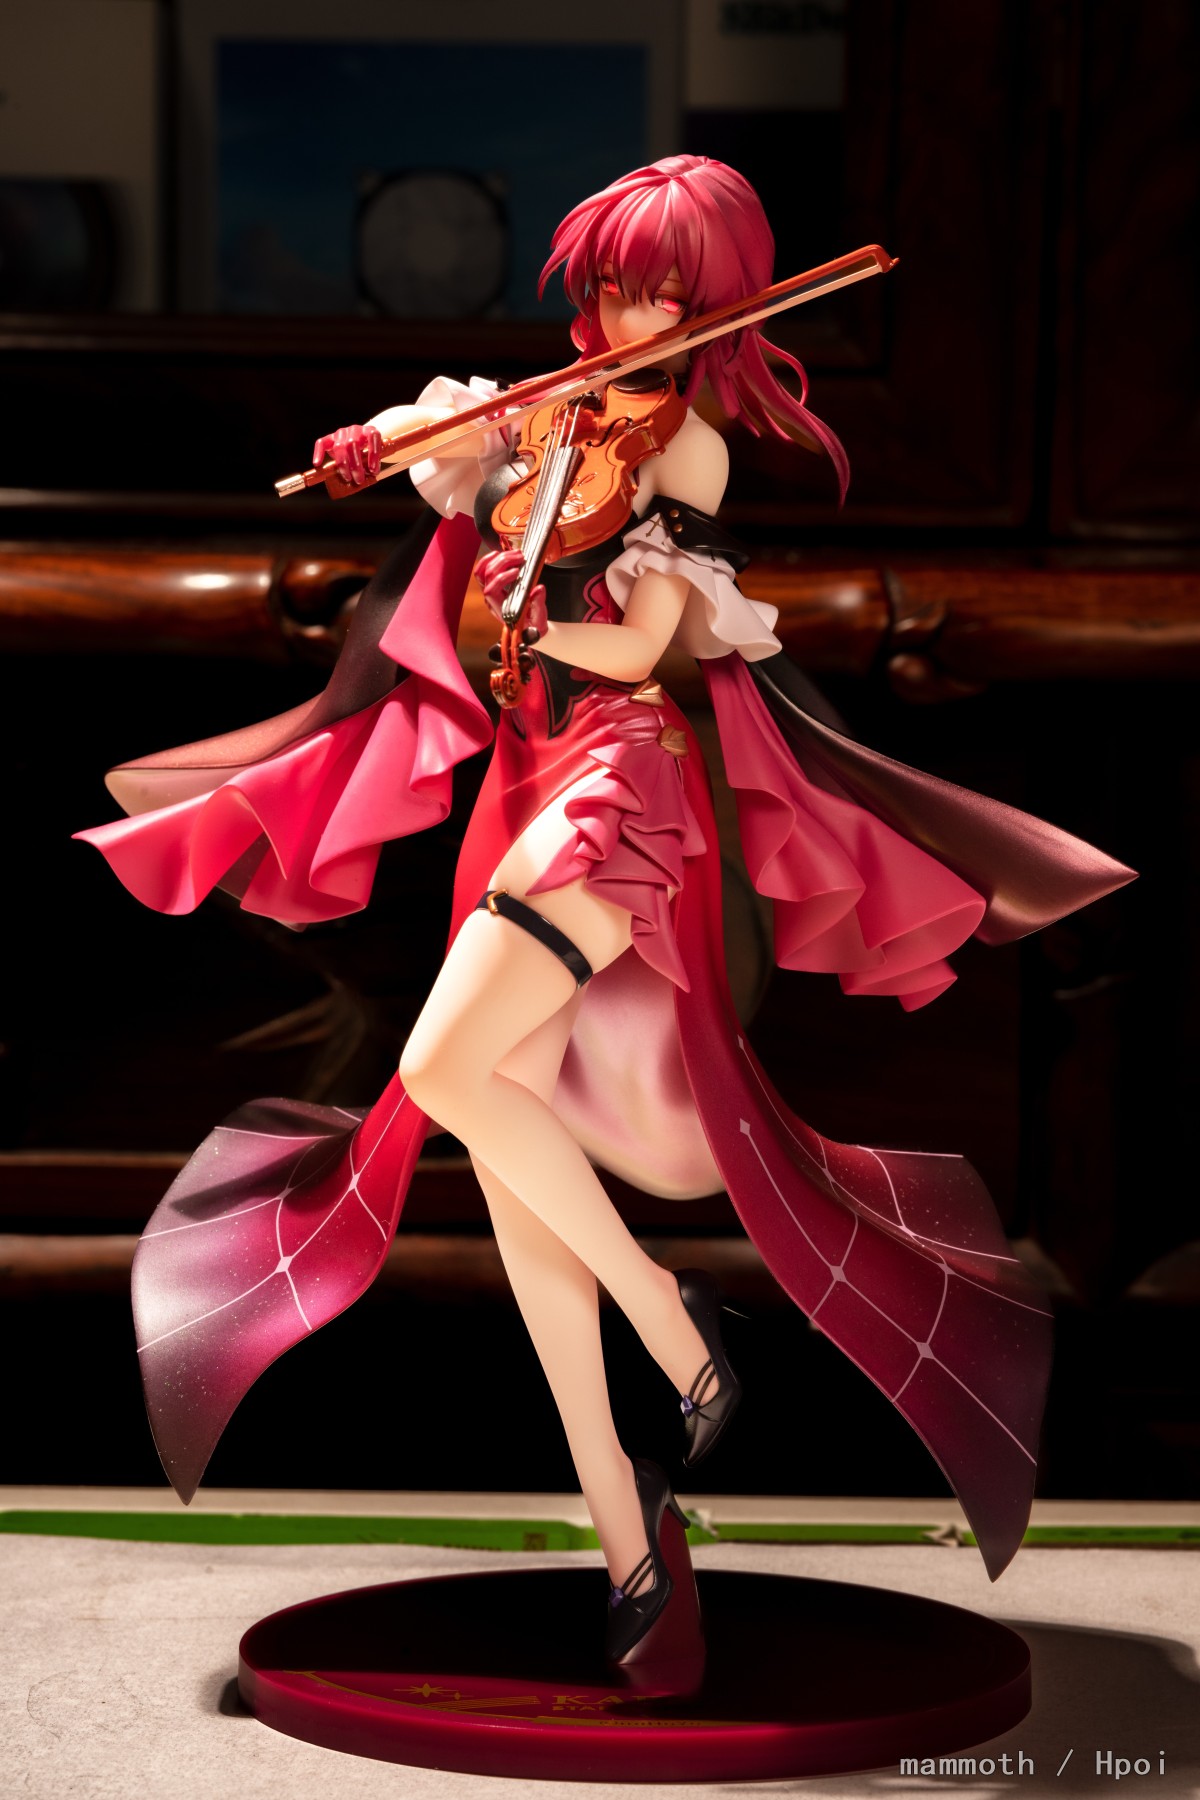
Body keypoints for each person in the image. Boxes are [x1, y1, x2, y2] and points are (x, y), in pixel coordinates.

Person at [77, 156, 1133, 1682]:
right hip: (518, 783)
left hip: (615, 779)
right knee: (512, 1167)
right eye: (617, 285)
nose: (633, 315)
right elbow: (433, 468)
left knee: (439, 1072)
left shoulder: (685, 446)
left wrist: (525, 611)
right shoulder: (528, 416)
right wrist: (389, 449)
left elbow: (645, 644)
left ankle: (675, 1322)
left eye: (667, 292)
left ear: (722, 305)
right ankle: (628, 1527)